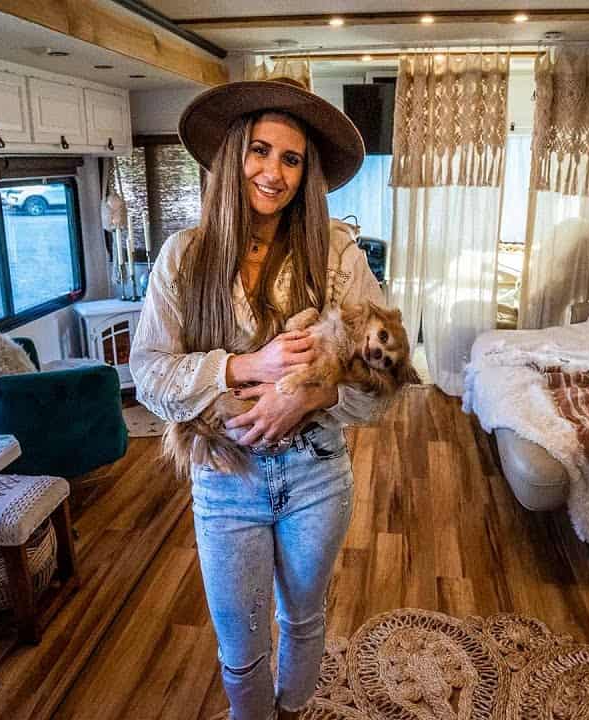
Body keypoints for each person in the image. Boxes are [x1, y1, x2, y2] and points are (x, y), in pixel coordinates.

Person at [129, 76, 391, 720]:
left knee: (304, 619)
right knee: (240, 643)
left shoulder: (337, 255)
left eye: (292, 159)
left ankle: (295, 710)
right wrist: (244, 365)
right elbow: (149, 377)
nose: (273, 171)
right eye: (260, 151)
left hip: (318, 473)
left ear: (308, 174)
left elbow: (382, 385)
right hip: (224, 476)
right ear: (232, 156)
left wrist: (309, 397)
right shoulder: (184, 257)